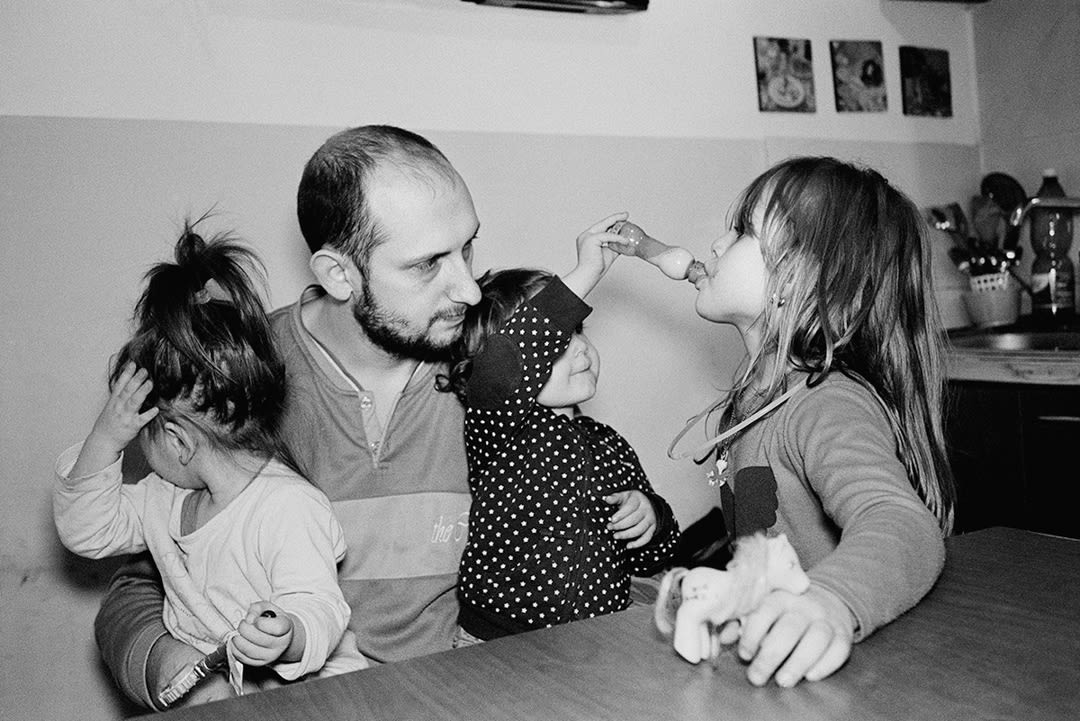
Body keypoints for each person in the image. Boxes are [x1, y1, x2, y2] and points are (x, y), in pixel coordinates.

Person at [93, 125, 482, 709]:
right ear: (338, 274)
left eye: (468, 248)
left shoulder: (496, 375)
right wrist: (182, 674)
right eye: (428, 264)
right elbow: (140, 584)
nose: (470, 289)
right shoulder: (237, 381)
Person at [667, 156, 955, 688]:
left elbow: (903, 523)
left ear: (804, 275)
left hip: (846, 676)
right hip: (776, 670)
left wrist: (829, 601)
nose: (714, 246)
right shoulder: (758, 400)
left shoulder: (826, 404)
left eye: (741, 232)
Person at [54, 224, 368, 705]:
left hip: (324, 700)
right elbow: (85, 530)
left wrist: (289, 636)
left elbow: (322, 606)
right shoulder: (164, 498)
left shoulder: (287, 507)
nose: (140, 451)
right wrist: (104, 441)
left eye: (141, 437)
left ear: (178, 440)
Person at [438, 216, 680, 643]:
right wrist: (585, 274)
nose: (580, 347)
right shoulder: (499, 428)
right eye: (558, 339)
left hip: (596, 643)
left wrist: (651, 516)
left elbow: (655, 555)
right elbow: (504, 366)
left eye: (580, 330)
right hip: (497, 644)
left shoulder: (609, 444)